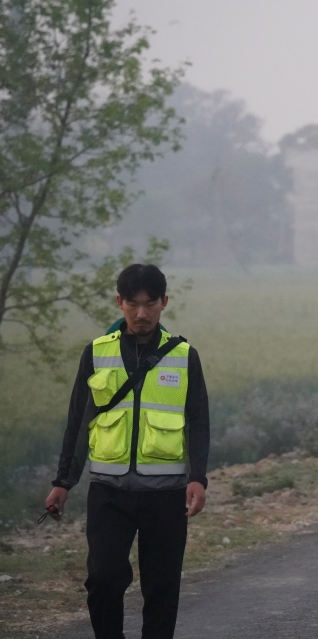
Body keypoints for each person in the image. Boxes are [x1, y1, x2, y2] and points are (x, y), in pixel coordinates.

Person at [46, 264, 210, 639]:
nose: (141, 314)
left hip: (167, 493)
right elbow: (78, 420)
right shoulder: (96, 353)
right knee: (103, 580)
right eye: (132, 304)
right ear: (118, 303)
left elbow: (198, 421)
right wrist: (64, 482)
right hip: (109, 492)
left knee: (162, 587)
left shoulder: (184, 356)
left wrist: (198, 478)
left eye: (150, 304)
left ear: (164, 302)